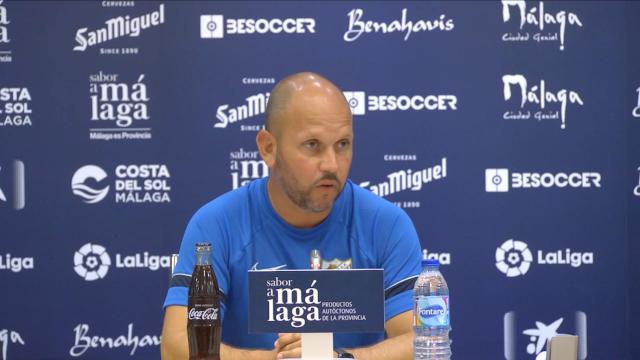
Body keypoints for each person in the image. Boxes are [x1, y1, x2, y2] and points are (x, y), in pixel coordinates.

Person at [161, 72, 422, 359]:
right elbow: (177, 347)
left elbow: (422, 341)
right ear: (268, 148)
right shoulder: (215, 225)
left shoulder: (386, 225)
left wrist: (339, 359)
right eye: (313, 145)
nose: (331, 164)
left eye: (343, 144)